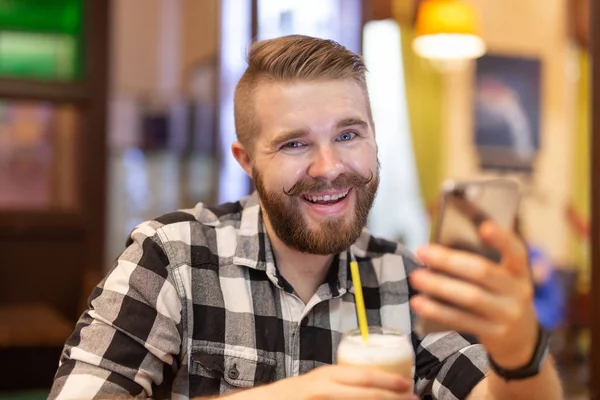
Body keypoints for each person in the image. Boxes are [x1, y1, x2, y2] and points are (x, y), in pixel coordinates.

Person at [49, 35, 562, 400]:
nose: (331, 167)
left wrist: (521, 351)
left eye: (348, 134)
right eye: (295, 143)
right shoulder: (174, 256)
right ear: (246, 161)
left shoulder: (406, 279)